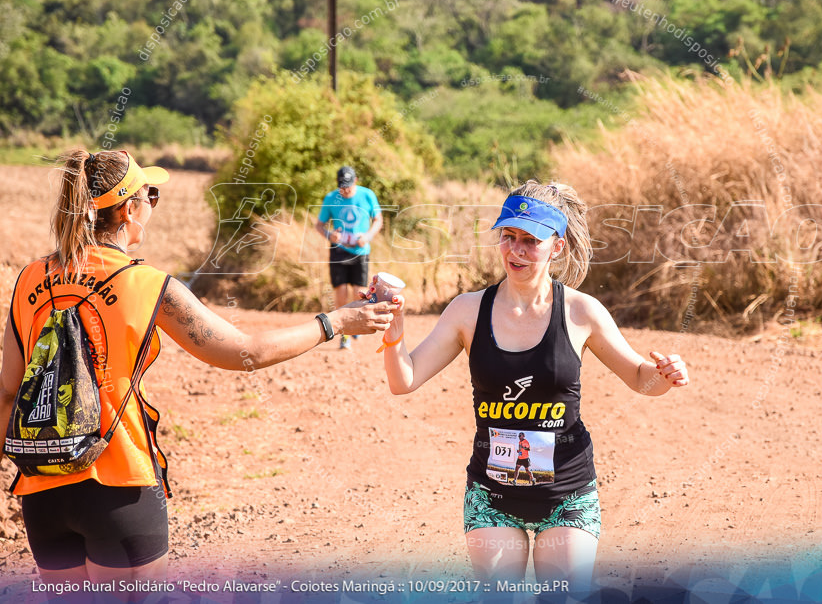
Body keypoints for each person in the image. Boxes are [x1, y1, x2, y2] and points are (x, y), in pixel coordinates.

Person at [0, 149, 397, 592]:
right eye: (150, 195)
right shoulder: (147, 283)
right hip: (120, 485)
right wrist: (335, 322)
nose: (152, 204)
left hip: (40, 488)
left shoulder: (29, 278)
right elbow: (243, 352)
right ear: (129, 209)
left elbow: (7, 394)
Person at [380, 180, 689, 590]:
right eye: (508, 237)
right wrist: (393, 333)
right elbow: (404, 380)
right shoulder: (467, 311)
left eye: (530, 240)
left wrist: (665, 376)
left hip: (567, 495)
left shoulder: (582, 312)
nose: (516, 250)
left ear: (557, 246)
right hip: (493, 496)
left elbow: (639, 378)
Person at [315, 166, 382, 349]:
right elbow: (319, 225)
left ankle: (356, 327)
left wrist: (367, 237)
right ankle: (343, 334)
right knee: (341, 293)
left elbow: (378, 220)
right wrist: (330, 236)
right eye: (342, 186)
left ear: (356, 181)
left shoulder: (367, 195)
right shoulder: (330, 199)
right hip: (338, 251)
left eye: (349, 186)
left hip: (361, 251)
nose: (345, 190)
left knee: (358, 292)